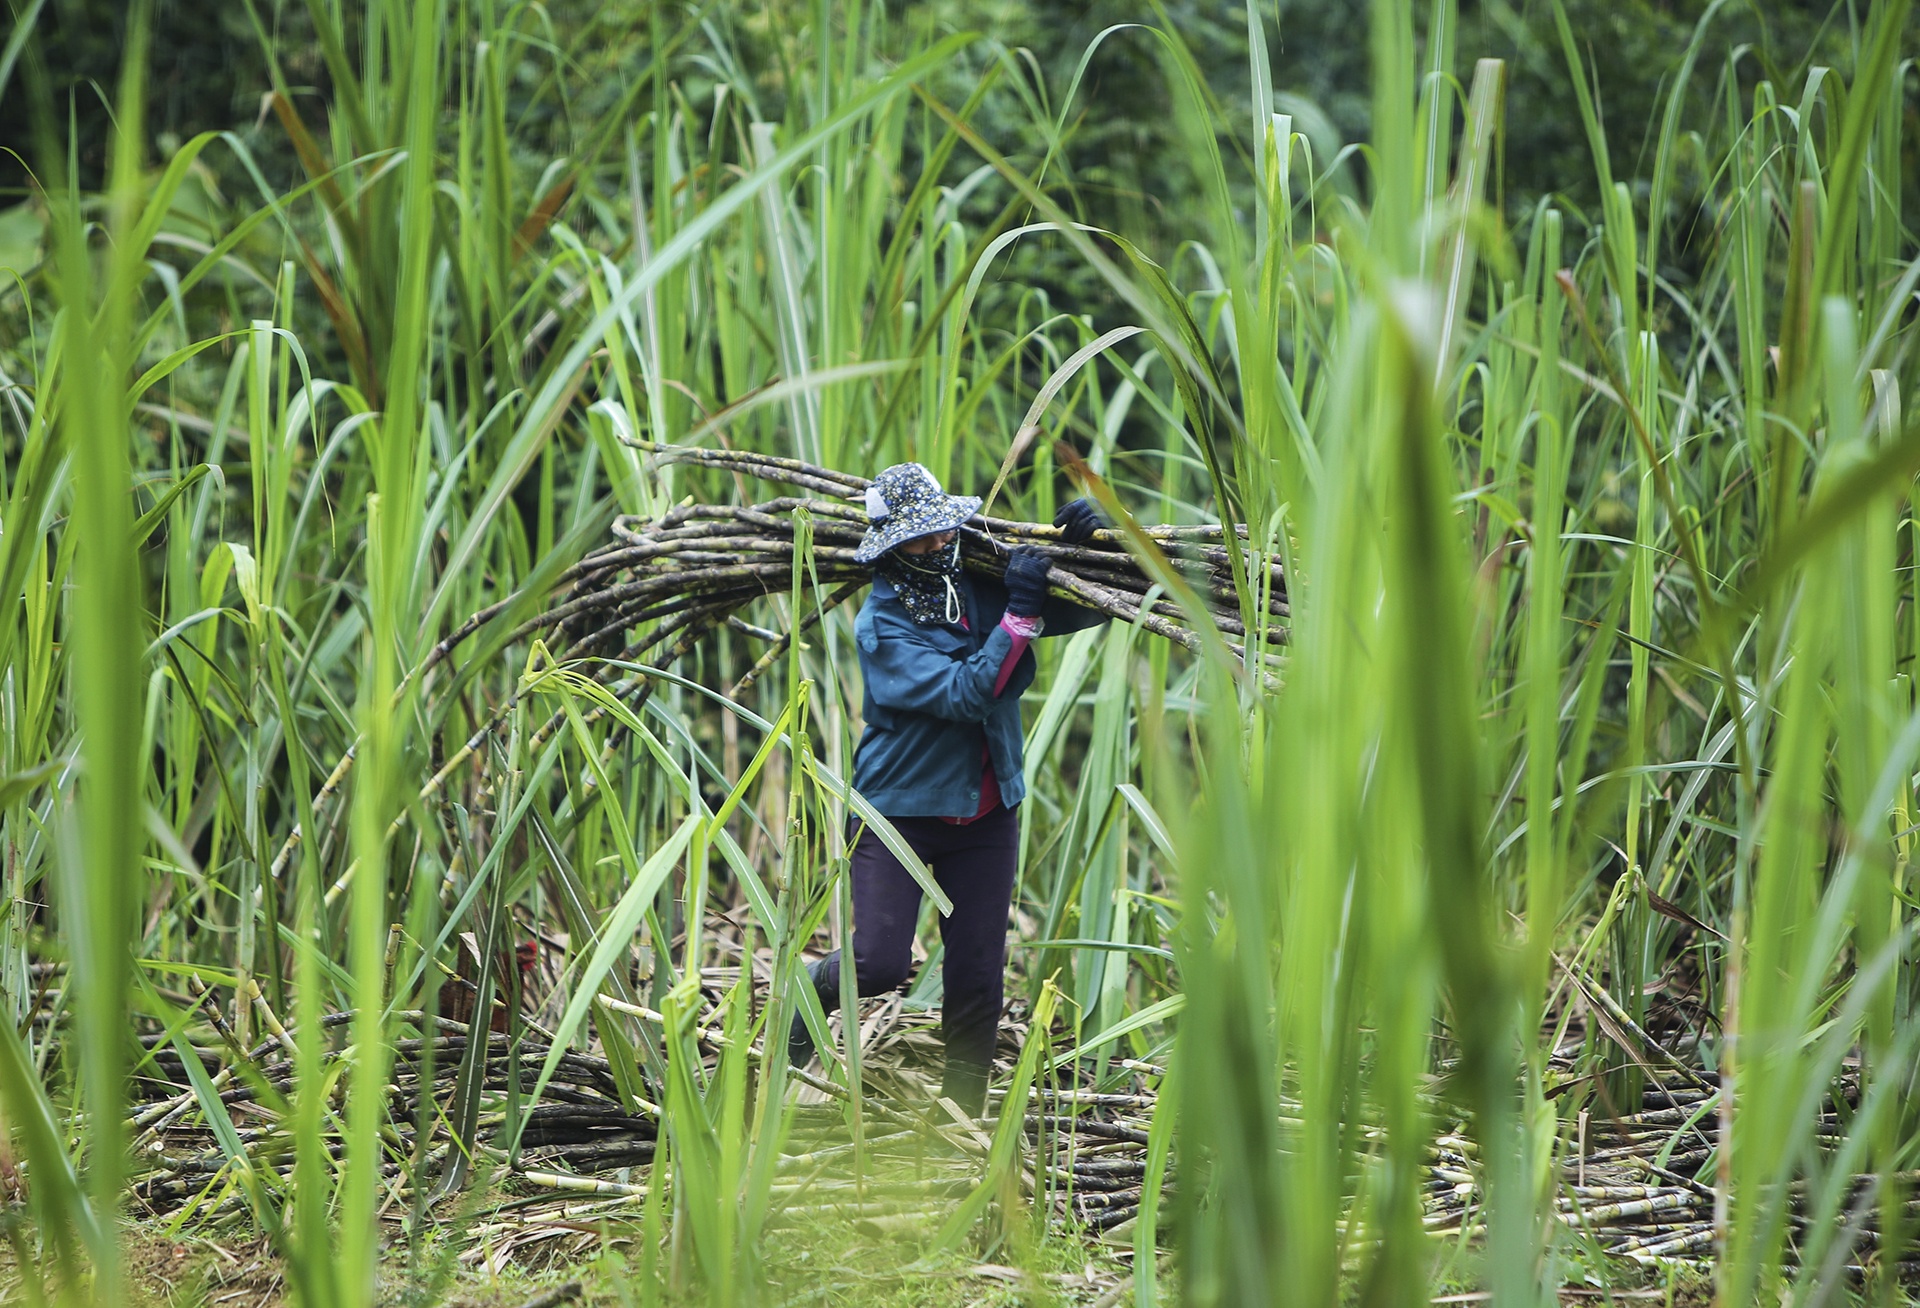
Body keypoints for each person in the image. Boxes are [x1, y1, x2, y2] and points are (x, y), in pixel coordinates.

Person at [788, 462, 1107, 1116]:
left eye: (940, 531)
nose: (936, 544)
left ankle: (956, 1118)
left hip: (987, 813)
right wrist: (1020, 612)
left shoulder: (975, 583)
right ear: (890, 545)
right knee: (878, 963)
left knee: (976, 977)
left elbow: (1083, 609)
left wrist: (1087, 549)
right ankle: (802, 998)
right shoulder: (882, 624)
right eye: (917, 538)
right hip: (899, 813)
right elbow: (968, 695)